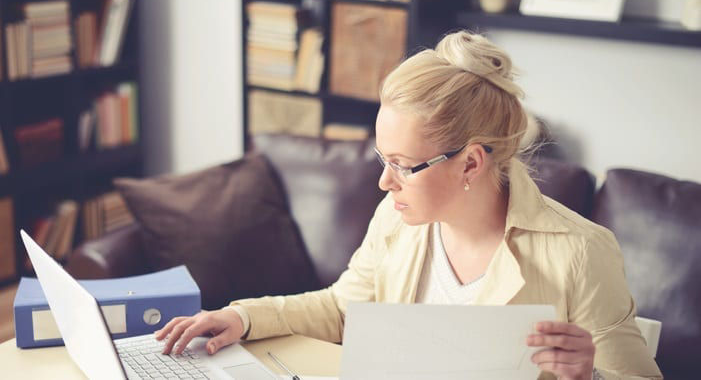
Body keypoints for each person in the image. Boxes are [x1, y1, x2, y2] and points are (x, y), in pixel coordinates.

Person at [154, 30, 662, 379]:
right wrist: (241, 317)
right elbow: (339, 309)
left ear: (470, 163)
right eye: (382, 157)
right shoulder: (400, 219)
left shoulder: (581, 253)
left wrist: (587, 373)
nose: (383, 182)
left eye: (403, 163)